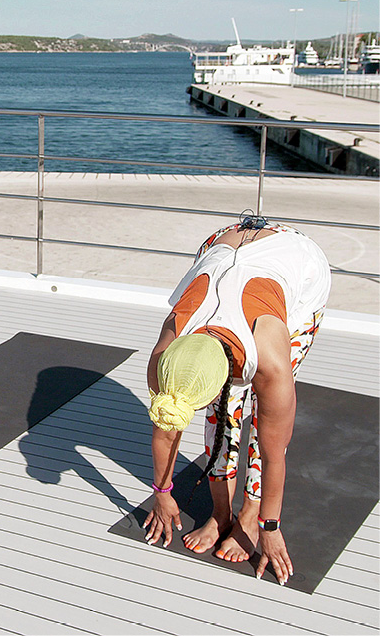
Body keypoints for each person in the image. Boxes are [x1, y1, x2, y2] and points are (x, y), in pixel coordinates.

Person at [143, 218, 331, 586]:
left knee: (263, 421)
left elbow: (275, 452)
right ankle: (220, 513)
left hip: (296, 265)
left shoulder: (270, 358)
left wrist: (270, 526)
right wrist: (163, 494)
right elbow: (167, 429)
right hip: (221, 245)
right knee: (221, 416)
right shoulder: (169, 347)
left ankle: (247, 515)